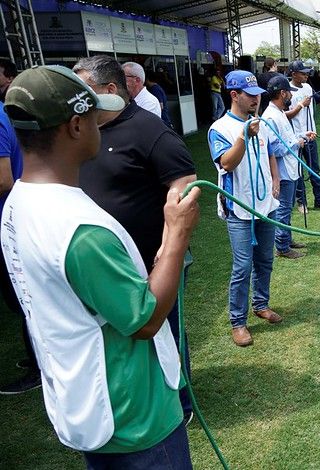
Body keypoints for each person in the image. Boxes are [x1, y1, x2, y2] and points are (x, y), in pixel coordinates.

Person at [2, 64, 199, 468]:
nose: (102, 125)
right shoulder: (81, 232)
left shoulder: (19, 203)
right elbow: (144, 321)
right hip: (134, 414)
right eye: (95, 116)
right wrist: (177, 236)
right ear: (76, 126)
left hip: (86, 400)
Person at [73, 55, 197, 422]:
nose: (77, 101)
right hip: (107, 262)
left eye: (84, 91)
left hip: (152, 262)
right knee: (121, 337)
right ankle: (135, 401)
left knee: (166, 333)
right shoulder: (83, 130)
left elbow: (185, 185)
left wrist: (167, 247)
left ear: (111, 91)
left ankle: (180, 404)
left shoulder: (150, 131)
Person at [208, 70, 283, 347]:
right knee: (242, 266)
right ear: (234, 95)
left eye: (258, 96)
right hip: (239, 209)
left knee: (265, 260)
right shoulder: (219, 128)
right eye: (250, 96)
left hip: (266, 205)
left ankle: (261, 304)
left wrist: (275, 179)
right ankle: (238, 322)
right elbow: (226, 163)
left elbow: (270, 152)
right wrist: (243, 136)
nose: (256, 100)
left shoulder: (259, 123)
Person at [0, 76, 39, 395]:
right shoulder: (6, 114)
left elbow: (2, 179)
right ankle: (36, 356)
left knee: (22, 296)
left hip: (10, 216)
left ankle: (39, 363)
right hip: (17, 214)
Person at [262, 75, 315, 260]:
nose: (291, 97)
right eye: (289, 94)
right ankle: (282, 247)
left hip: (291, 170)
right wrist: (297, 143)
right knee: (283, 210)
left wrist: (302, 134)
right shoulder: (270, 116)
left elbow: (287, 137)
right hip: (283, 173)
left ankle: (287, 239)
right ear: (282, 93)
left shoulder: (279, 113)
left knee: (288, 208)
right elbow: (274, 148)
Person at [286, 60, 320, 212]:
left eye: (307, 73)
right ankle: (301, 203)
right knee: (298, 171)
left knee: (315, 169)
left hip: (311, 136)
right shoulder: (287, 90)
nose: (306, 76)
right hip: (295, 138)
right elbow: (284, 116)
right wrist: (301, 105)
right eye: (303, 73)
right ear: (294, 74)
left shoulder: (308, 87)